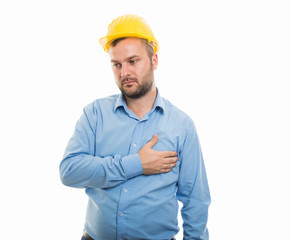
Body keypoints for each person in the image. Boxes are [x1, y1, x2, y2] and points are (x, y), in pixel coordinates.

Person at [60, 14, 211, 240]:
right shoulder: (95, 114)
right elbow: (70, 171)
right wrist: (136, 164)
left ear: (154, 61)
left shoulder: (181, 126)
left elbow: (195, 200)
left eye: (133, 61)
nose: (124, 73)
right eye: (116, 64)